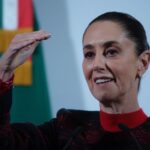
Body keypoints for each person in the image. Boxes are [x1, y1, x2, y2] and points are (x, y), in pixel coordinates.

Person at [0, 11, 150, 150]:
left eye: (111, 52)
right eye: (89, 54)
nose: (96, 64)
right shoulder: (67, 128)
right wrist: (4, 73)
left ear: (142, 63)